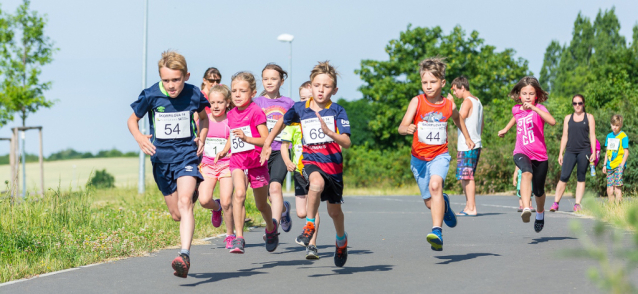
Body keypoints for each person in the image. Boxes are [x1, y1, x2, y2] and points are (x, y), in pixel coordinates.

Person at [127, 51, 209, 278]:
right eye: (166, 80)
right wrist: (140, 138)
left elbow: (203, 117)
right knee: (176, 214)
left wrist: (202, 137)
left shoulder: (194, 94)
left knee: (185, 203)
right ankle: (203, 201)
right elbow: (132, 120)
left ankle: (184, 255)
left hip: (186, 156)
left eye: (176, 80)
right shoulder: (151, 95)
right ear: (160, 78)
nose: (171, 86)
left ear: (186, 76)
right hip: (162, 160)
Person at [261, 61, 351, 267]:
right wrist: (268, 142)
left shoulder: (337, 111)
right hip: (310, 162)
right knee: (316, 184)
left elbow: (347, 142)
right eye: (317, 85)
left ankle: (341, 240)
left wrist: (330, 133)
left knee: (334, 212)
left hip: (334, 166)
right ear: (310, 86)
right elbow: (281, 122)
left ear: (334, 90)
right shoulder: (300, 108)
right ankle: (310, 225)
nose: (321, 90)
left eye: (326, 86)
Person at [397, 57, 474, 251]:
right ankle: (445, 206)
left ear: (442, 83)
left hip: (440, 155)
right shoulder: (417, 101)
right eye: (424, 82)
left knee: (435, 184)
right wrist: (406, 129)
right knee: (430, 202)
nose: (428, 86)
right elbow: (401, 126)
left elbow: (458, 120)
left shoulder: (449, 105)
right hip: (418, 159)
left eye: (432, 82)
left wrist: (467, 137)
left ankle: (437, 231)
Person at [223, 71, 278, 254]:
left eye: (242, 91)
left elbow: (265, 139)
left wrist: (247, 138)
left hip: (256, 162)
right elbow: (233, 135)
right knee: (238, 194)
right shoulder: (230, 114)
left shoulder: (256, 112)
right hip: (238, 161)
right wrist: (224, 149)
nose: (237, 95)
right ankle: (239, 238)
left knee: (261, 204)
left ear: (253, 93)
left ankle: (271, 228)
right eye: (234, 91)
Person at [498, 76, 556, 233]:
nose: (527, 97)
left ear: (536, 95)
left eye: (531, 93)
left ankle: (540, 212)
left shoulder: (540, 108)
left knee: (539, 191)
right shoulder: (516, 109)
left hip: (540, 155)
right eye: (524, 93)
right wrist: (505, 129)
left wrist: (535, 108)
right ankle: (525, 207)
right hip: (521, 151)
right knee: (526, 172)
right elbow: (515, 118)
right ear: (519, 95)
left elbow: (552, 122)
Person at [280, 81, 320, 259]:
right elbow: (284, 146)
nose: (305, 103)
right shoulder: (293, 124)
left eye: (308, 99)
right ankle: (286, 209)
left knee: (312, 209)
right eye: (302, 99)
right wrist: (288, 161)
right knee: (302, 212)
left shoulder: (317, 121)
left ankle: (312, 245)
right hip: (298, 170)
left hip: (315, 169)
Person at [253, 63, 295, 234]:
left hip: (281, 150)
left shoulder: (289, 103)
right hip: (261, 152)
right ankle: (284, 210)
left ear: (281, 81)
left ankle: (274, 228)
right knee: (269, 196)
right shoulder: (255, 102)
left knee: (275, 187)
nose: (269, 82)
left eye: (274, 79)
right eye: (265, 79)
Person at [197, 84, 237, 249]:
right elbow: (197, 137)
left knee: (228, 201)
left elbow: (234, 137)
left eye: (220, 102)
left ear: (227, 103)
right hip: (207, 164)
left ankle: (230, 235)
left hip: (227, 165)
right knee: (204, 200)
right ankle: (216, 206)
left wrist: (225, 150)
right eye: (212, 102)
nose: (215, 106)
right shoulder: (203, 119)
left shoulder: (231, 119)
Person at [549, 94, 596, 212]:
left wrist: (594, 152)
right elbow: (564, 136)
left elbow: (592, 135)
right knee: (564, 176)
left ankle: (577, 204)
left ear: (583, 104)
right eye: (575, 103)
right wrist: (561, 153)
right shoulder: (567, 118)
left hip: (584, 151)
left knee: (581, 177)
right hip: (570, 151)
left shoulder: (589, 117)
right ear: (572, 105)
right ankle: (555, 203)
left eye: (580, 103)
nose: (577, 105)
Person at [448, 76, 483, 216]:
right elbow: (482, 124)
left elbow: (458, 120)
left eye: (455, 90)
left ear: (462, 88)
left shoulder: (467, 102)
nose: (454, 93)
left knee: (468, 177)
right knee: (465, 176)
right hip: (475, 142)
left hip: (468, 144)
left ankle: (472, 208)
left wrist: (451, 105)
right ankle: (468, 207)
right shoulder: (477, 101)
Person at [602, 115, 629, 203]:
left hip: (618, 165)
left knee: (617, 189)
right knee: (609, 190)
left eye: (617, 125)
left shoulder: (623, 136)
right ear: (611, 124)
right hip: (610, 166)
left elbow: (626, 152)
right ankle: (611, 208)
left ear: (620, 125)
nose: (614, 127)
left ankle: (618, 208)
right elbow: (607, 151)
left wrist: (622, 165)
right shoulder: (609, 136)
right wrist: (605, 164)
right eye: (613, 125)